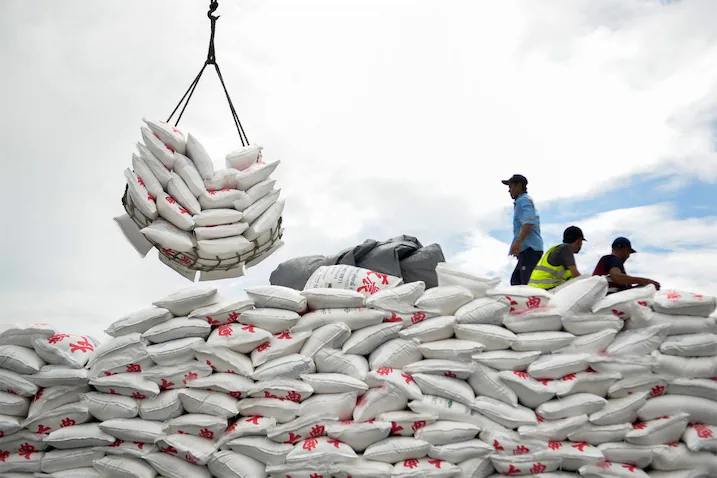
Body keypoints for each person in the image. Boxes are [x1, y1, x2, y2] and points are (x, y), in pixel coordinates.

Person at [501, 174, 544, 286]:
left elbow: (528, 223)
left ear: (519, 186)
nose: (509, 190)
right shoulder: (521, 201)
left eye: (510, 187)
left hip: (530, 250)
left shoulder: (523, 200)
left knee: (527, 284)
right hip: (526, 250)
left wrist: (518, 242)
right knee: (516, 281)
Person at [592, 237, 661, 294]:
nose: (628, 256)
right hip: (608, 298)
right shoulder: (613, 259)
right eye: (628, 252)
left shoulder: (606, 261)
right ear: (624, 249)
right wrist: (645, 281)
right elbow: (617, 277)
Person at [528, 226, 585, 290]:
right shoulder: (566, 248)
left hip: (536, 289)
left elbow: (572, 278)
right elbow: (576, 275)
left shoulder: (557, 250)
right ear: (579, 241)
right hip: (545, 289)